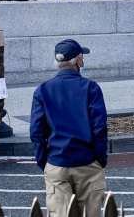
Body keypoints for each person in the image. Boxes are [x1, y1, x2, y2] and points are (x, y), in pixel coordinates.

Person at [30, 39, 108, 217]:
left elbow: (36, 132)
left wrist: (44, 162)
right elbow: (99, 128)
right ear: (78, 60)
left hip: (57, 161)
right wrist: (100, 159)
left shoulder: (43, 90)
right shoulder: (91, 88)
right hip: (86, 161)